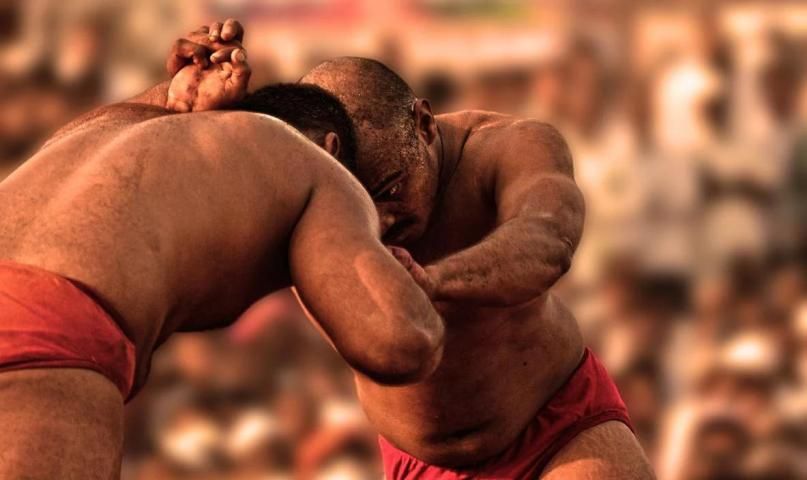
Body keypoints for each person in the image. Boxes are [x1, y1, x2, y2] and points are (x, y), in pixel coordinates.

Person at [172, 22, 654, 478]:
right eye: (360, 205)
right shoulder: (297, 185)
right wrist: (178, 110)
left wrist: (432, 281)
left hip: (558, 430)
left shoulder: (505, 147)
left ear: (423, 124)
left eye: (390, 188)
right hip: (412, 459)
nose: (380, 224)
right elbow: (172, 225)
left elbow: (549, 239)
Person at [0, 21, 444, 480]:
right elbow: (399, 345)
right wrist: (416, 280)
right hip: (49, 334)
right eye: (376, 193)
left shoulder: (110, 127)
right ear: (332, 147)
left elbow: (156, 112)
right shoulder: (313, 163)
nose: (383, 221)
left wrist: (178, 92)